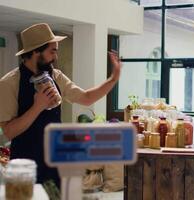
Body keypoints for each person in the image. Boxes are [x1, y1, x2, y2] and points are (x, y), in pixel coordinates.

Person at [0, 23, 121, 187]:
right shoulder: (9, 83)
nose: (56, 56)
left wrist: (113, 79)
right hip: (24, 166)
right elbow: (9, 131)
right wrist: (38, 106)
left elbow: (86, 98)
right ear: (36, 51)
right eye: (52, 51)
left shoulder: (56, 76)